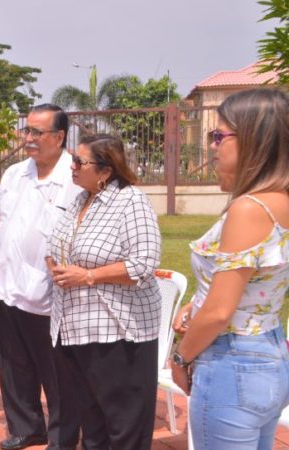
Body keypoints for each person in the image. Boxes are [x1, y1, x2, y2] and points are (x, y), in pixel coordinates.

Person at [171, 89, 289, 449]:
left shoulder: (249, 208)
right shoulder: (279, 201)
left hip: (231, 361)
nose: (212, 146)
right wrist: (197, 301)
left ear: (255, 139)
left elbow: (220, 313)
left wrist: (180, 357)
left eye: (218, 135)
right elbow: (255, 282)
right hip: (268, 354)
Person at [46, 134, 162, 450]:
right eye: (73, 158)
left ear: (105, 170)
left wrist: (87, 276)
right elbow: (53, 243)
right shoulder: (80, 200)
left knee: (124, 431)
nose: (71, 166)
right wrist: (53, 264)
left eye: (79, 162)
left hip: (118, 333)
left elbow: (144, 263)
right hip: (73, 330)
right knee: (93, 428)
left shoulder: (131, 201)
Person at [0, 104, 82, 450]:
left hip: (49, 289)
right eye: (27, 131)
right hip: (7, 283)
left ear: (59, 137)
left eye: (37, 133)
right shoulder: (15, 173)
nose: (29, 139)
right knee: (12, 361)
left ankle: (61, 435)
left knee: (55, 368)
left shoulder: (75, 176)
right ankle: (25, 427)